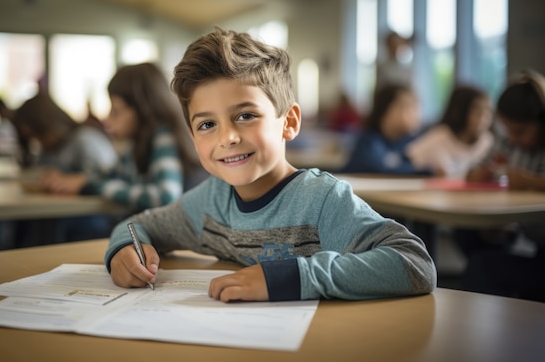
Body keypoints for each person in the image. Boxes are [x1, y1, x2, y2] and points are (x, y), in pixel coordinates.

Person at [104, 27, 436, 303]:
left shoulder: (321, 200)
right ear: (192, 137)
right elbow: (138, 225)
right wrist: (123, 250)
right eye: (207, 125)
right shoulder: (209, 203)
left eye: (245, 116)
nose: (228, 137)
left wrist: (290, 277)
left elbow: (415, 264)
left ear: (288, 121)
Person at [40, 62, 204, 215]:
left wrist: (90, 186)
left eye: (116, 111)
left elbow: (165, 196)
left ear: (143, 110)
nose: (108, 120)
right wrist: (71, 178)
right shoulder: (137, 142)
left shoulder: (163, 136)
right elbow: (114, 174)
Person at [459, 69, 545, 301]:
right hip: (526, 235)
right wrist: (482, 173)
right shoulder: (509, 144)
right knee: (467, 233)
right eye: (509, 131)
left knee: (481, 268)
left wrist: (528, 181)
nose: (515, 138)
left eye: (521, 131)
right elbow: (471, 174)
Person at [12, 92, 118, 243]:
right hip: (64, 214)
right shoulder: (51, 147)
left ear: (49, 124)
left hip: (95, 215)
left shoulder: (85, 139)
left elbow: (111, 175)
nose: (38, 142)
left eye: (38, 135)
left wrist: (72, 180)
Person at [339, 83, 430, 174]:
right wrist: (424, 169)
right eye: (407, 106)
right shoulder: (369, 142)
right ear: (385, 110)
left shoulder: (413, 142)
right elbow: (380, 170)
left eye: (416, 106)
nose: (415, 114)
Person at [406, 84, 494, 178]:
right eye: (477, 110)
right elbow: (409, 161)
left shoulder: (489, 142)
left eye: (488, 111)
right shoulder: (438, 138)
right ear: (460, 110)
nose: (483, 118)